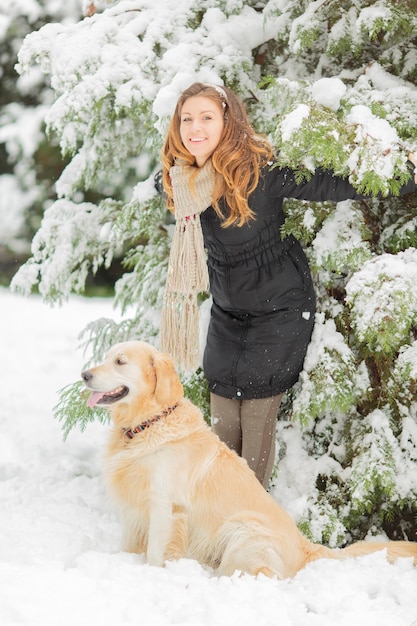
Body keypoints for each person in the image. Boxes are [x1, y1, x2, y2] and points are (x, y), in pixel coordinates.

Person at [156, 81, 417, 489]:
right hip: (228, 312)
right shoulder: (178, 181)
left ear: (227, 121)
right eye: (187, 118)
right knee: (222, 418)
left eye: (207, 117)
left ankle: (246, 519)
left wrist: (407, 173)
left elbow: (335, 184)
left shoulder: (260, 171)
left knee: (256, 421)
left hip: (280, 308)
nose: (195, 128)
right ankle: (215, 510)